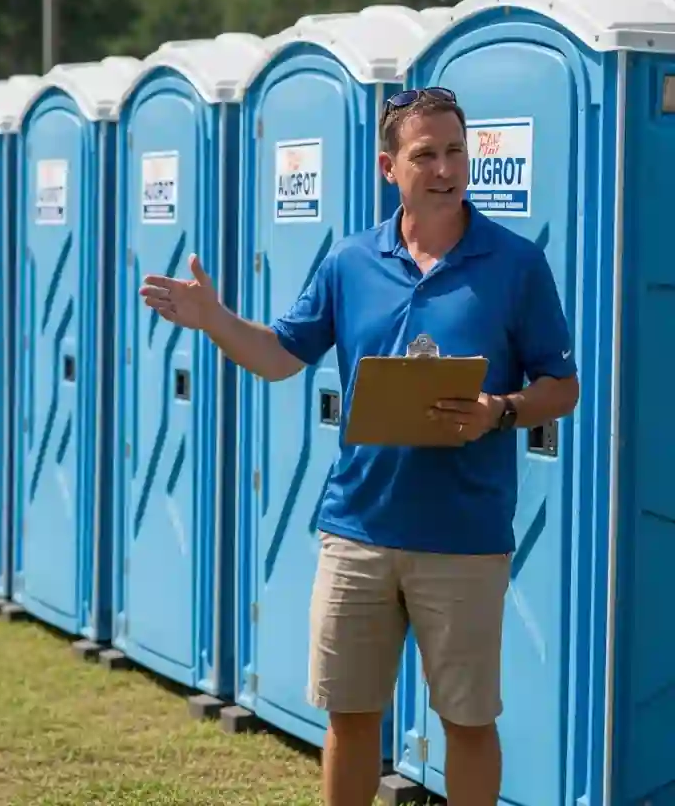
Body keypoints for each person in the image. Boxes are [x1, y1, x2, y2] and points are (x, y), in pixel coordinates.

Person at [139, 87, 580, 806]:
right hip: (357, 531)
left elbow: (562, 387)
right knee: (350, 717)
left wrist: (500, 411)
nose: (446, 169)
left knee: (468, 720)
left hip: (465, 538)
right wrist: (214, 319)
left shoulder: (517, 264)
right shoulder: (349, 261)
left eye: (456, 151)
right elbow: (281, 356)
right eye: (425, 154)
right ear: (388, 167)